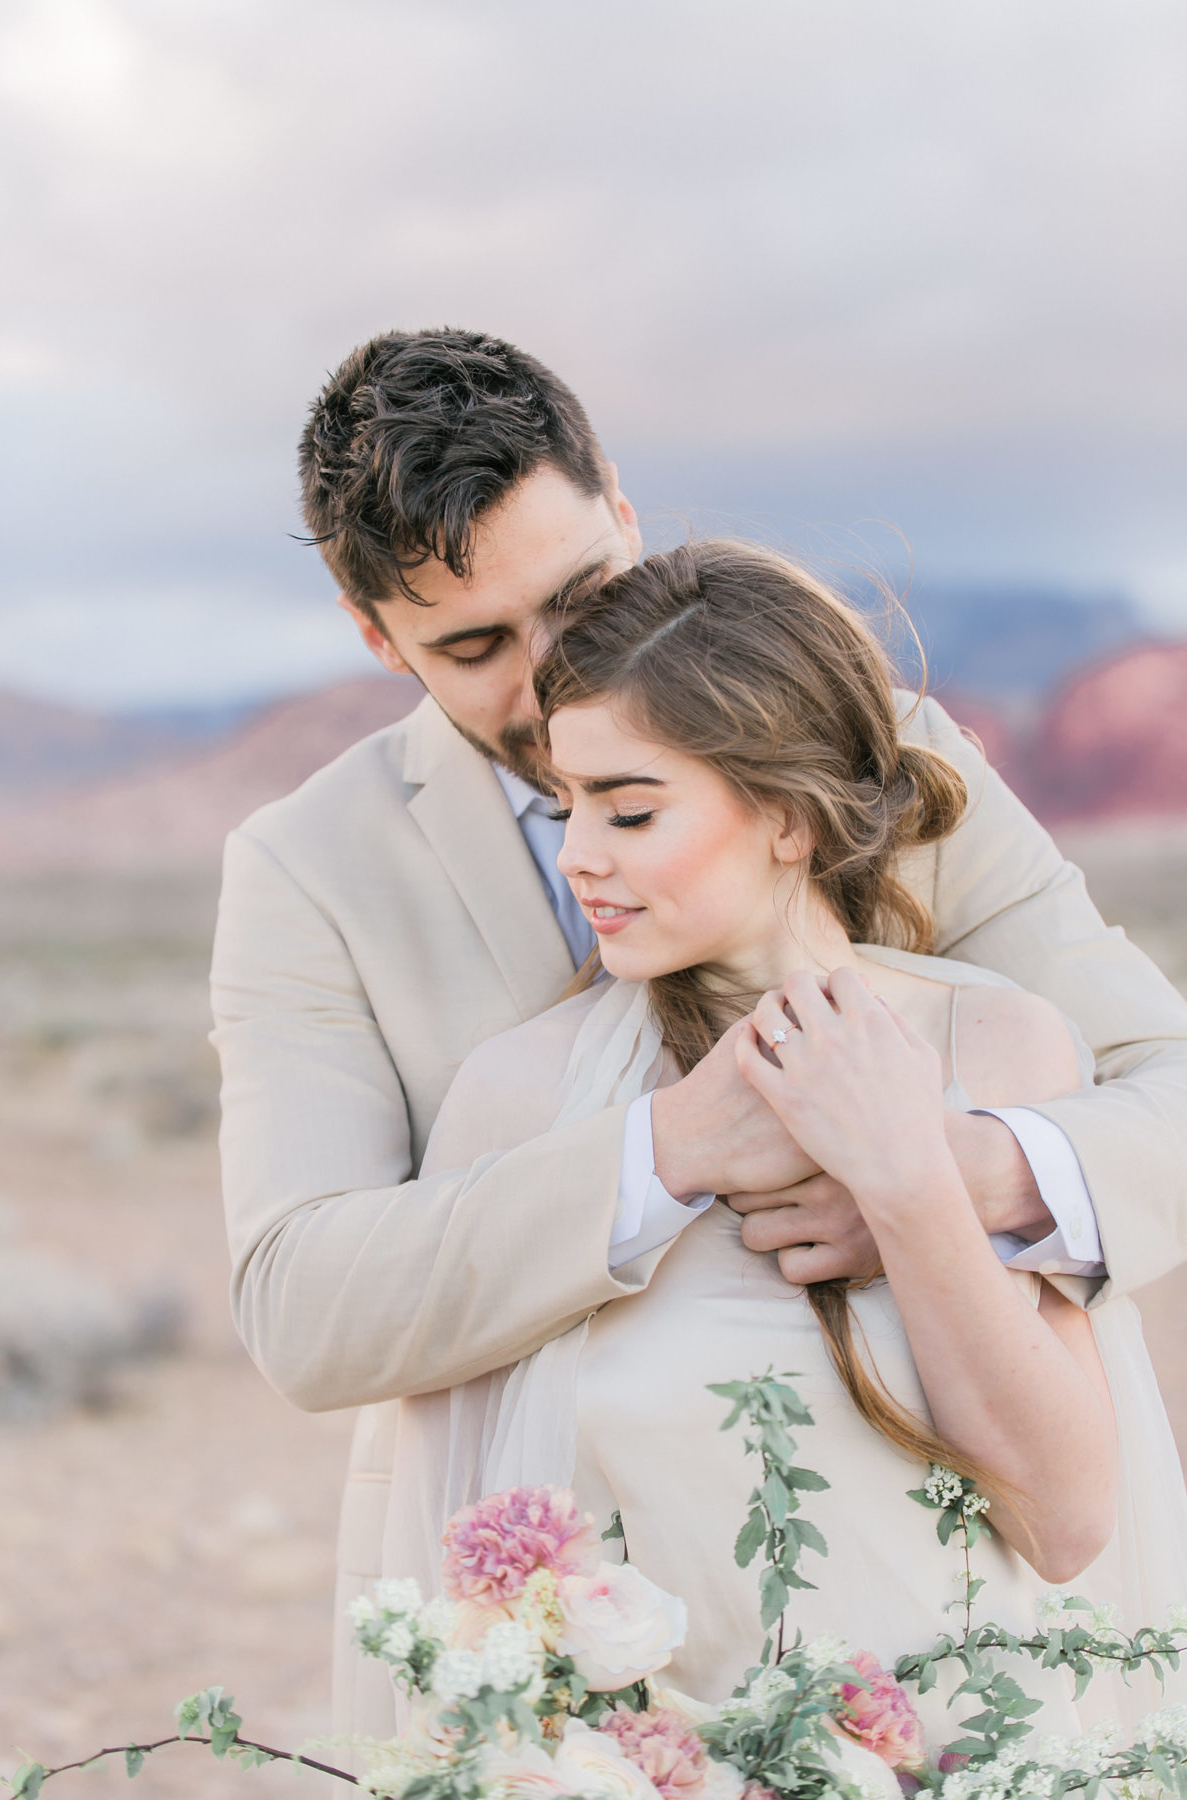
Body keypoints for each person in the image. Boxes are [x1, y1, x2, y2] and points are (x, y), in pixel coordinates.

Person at [208, 329, 1187, 1741]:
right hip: (585, 1673)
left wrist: (929, 1175)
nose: (549, 686)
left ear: (626, 513)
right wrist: (665, 1153)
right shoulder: (313, 870)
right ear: (377, 639)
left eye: (580, 596)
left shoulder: (867, 750)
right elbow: (302, 1305)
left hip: (943, 1615)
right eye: (476, 647)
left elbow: (1166, 1089)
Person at [399, 541, 1187, 1746]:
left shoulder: (998, 1046)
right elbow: (473, 1562)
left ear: (784, 815)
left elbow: (1069, 1519)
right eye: (570, 806)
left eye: (631, 808)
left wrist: (911, 1176)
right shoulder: (526, 1098)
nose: (580, 857)